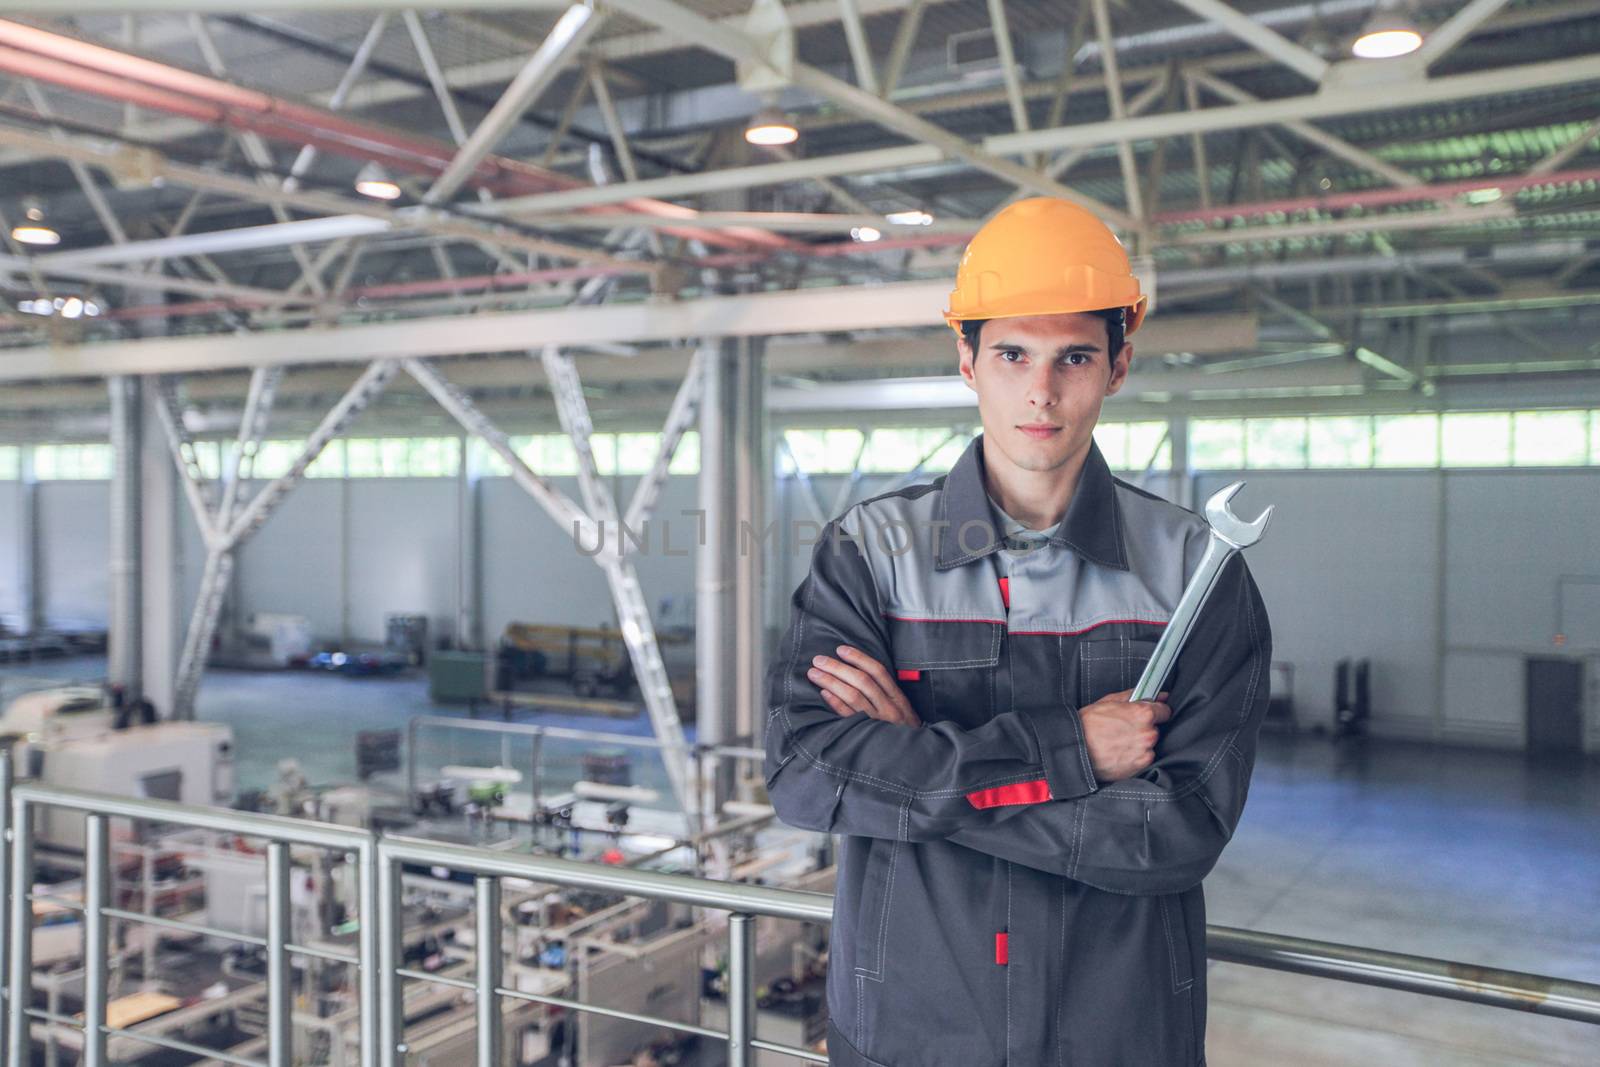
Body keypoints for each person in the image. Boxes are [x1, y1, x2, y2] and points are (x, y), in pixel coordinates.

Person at [762, 197, 1273, 1066]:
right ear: (967, 361)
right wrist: (1066, 752)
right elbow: (803, 772)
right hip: (909, 1032)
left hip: (1120, 1036)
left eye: (1074, 355)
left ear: (1117, 365)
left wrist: (919, 768)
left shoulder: (1197, 568)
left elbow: (1174, 833)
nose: (1041, 391)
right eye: (1012, 354)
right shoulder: (872, 552)